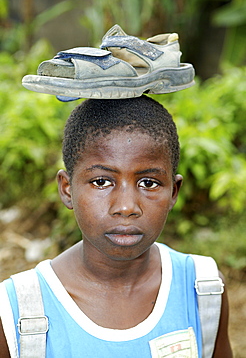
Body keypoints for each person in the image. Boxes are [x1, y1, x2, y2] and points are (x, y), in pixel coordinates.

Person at [0, 95, 232, 357]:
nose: (126, 206)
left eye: (148, 183)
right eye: (101, 182)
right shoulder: (18, 312)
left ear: (174, 192)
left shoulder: (203, 290)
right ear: (67, 190)